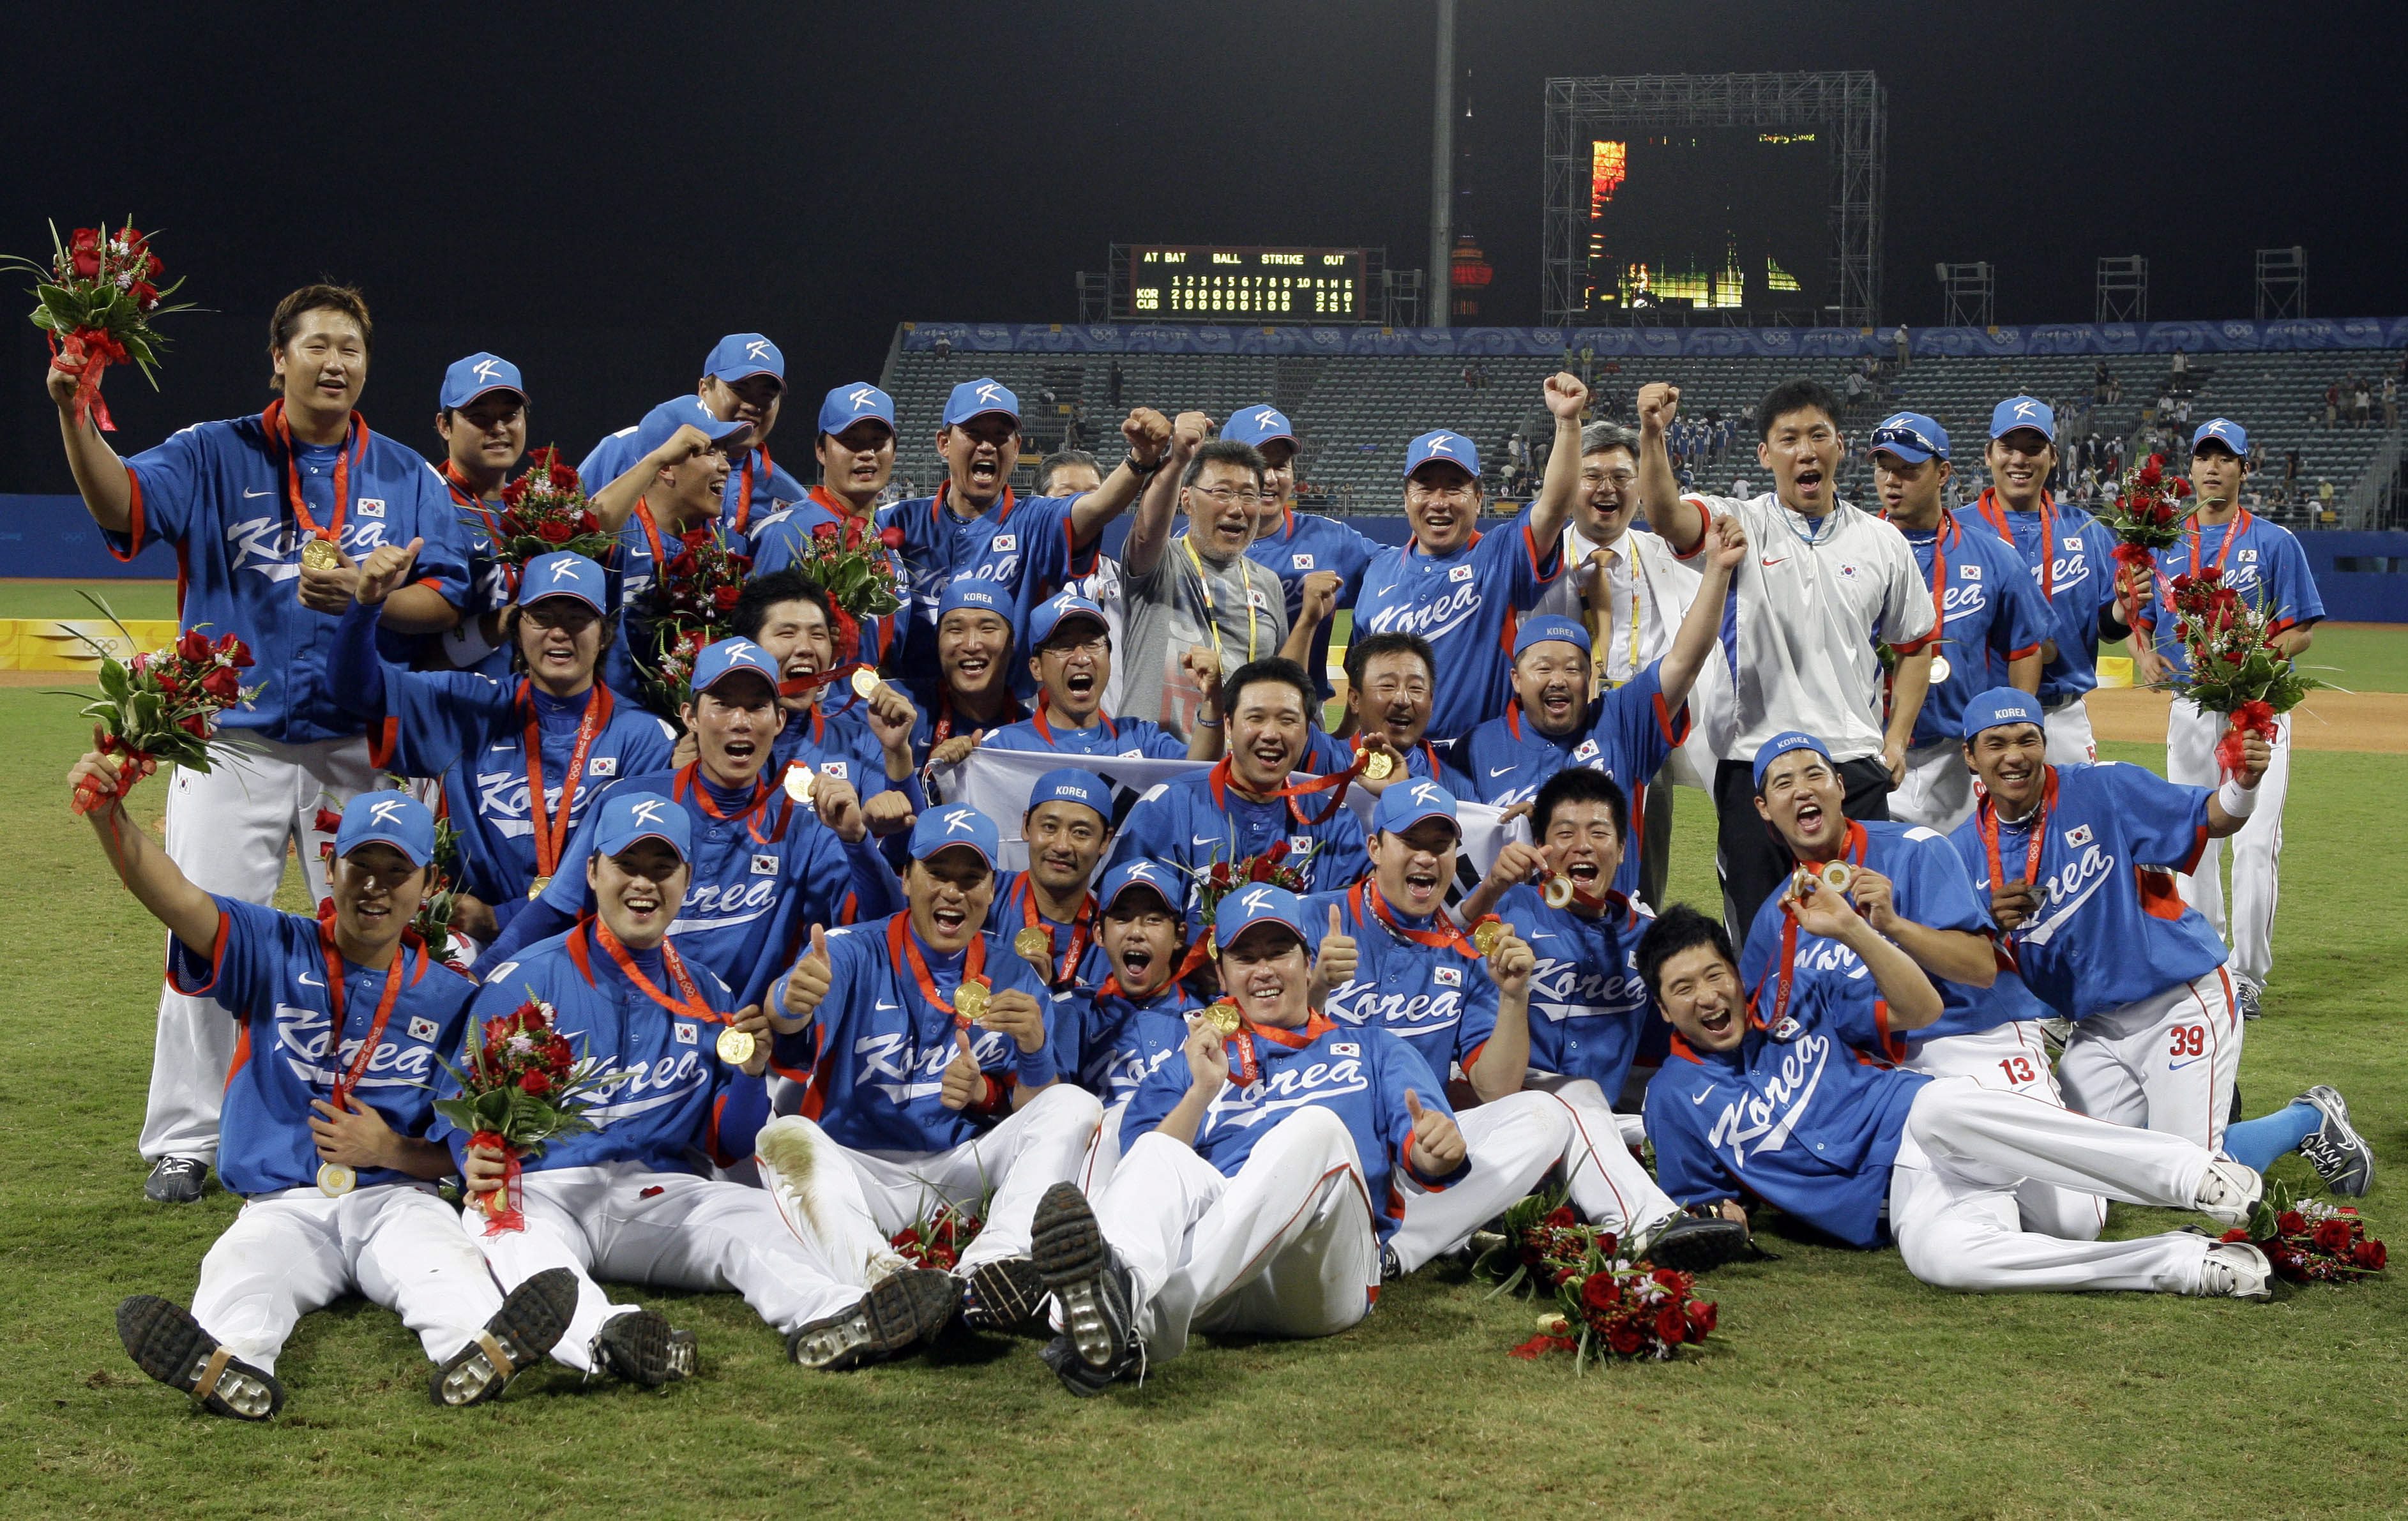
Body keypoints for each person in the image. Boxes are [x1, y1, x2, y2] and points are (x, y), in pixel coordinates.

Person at [47, 282, 473, 1204]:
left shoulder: (405, 474)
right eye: (317, 345)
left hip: (356, 750)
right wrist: (75, 413)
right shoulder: (212, 452)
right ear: (277, 359)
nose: (336, 363)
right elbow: (120, 505)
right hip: (230, 744)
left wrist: (372, 595)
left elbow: (444, 598)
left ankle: (386, 1124)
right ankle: (185, 1138)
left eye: (351, 348)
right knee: (203, 927)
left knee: (381, 940)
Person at [79, 782, 574, 1415]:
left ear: (427, 886)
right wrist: (106, 817)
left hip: (395, 1201)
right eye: (360, 866)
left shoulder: (452, 997)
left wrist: (391, 1148)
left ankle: (478, 1354)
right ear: (330, 866)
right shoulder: (274, 946)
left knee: (444, 1266)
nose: (375, 886)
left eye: (398, 871)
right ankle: (231, 1368)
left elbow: (460, 1153)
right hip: (283, 1202)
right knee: (242, 1270)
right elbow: (177, 900)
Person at [447, 793, 933, 1384]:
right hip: (551, 1192)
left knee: (754, 1216)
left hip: (657, 1194)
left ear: (687, 880)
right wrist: (471, 1156)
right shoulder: (523, 980)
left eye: (662, 868)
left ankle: (839, 1315)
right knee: (497, 1221)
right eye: (627, 866)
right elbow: (461, 1112)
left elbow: (728, 1146)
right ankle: (607, 1338)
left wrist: (752, 1077)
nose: (643, 885)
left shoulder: (706, 994)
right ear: (593, 872)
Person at [1639, 903, 2279, 1298]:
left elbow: (1920, 1008)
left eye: (1715, 975)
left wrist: (1858, 931)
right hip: (1903, 1200)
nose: (1707, 996)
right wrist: (1722, 1219)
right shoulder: (1673, 1098)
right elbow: (1703, 1205)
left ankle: (2194, 1172)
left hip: (1929, 1125)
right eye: (1684, 988)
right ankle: (2184, 1263)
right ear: (1666, 1009)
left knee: (1943, 1107)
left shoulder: (1793, 997)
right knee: (1941, 1260)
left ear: (1735, 973)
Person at [1016, 885, 1467, 1396]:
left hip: (1320, 1278)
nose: (1264, 970)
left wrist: (1435, 1149)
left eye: (1279, 952)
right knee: (1160, 1151)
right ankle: (1119, 1312)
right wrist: (1202, 1091)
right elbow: (1141, 1171)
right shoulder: (1189, 1063)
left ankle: (1135, 1321)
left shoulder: (1373, 1047)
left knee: (1313, 1128)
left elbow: (1426, 1157)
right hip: (1218, 1284)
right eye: (1245, 957)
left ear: (1307, 959)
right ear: (1223, 974)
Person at [1299, 783, 1736, 1277]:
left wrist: (1512, 995)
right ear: (1375, 848)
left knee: (1550, 1116)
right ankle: (1635, 1217)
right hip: (1321, 1141)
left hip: (1421, 1147)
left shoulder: (1467, 953)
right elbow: (1246, 1031)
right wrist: (1313, 992)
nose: (1426, 858)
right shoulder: (1312, 920)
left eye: (1440, 846)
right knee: (1575, 1102)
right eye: (1410, 842)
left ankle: (1395, 1249)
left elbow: (1494, 1087)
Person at [1948, 689, 2370, 1194]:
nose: (2014, 755)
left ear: (2044, 743)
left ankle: (2306, 1118)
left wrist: (2244, 782)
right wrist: (1988, 926)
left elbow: (2214, 818)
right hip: (2096, 1026)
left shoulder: (2102, 788)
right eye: (1995, 744)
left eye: (2026, 740)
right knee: (2074, 1174)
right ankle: (2179, 1120)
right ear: (1970, 755)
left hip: (2177, 1000)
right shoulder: (1959, 853)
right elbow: (1962, 964)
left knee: (2187, 1181)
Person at [757, 805, 1106, 1356]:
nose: (953, 892)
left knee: (1075, 1105)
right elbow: (789, 1017)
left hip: (958, 1176)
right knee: (782, 1137)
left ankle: (992, 1269)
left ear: (992, 891)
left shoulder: (1012, 971)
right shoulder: (851, 950)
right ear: (906, 878)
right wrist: (787, 1001)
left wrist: (1036, 1052)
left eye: (971, 879)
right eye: (937, 874)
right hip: (862, 1170)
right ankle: (890, 1282)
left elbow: (1036, 1110)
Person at [1743, 730, 2103, 1239]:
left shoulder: (1914, 849)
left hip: (1978, 1039)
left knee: (2073, 1222)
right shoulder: (1775, 916)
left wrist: (1894, 925)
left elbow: (1980, 968)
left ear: (1840, 787)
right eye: (1783, 783)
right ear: (1763, 807)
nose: (1802, 791)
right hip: (1893, 1074)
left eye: (1814, 775)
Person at [1635, 377, 1935, 946]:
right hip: (1753, 767)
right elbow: (1666, 516)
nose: (1806, 450)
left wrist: (1895, 741)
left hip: (1852, 765)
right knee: (1757, 938)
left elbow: (1915, 645)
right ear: (1764, 454)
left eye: (1818, 435)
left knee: (1864, 939)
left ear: (1839, 446)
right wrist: (1653, 434)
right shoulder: (1737, 522)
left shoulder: (1882, 542)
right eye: (1789, 438)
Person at [486, 639, 895, 1008]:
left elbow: (881, 929)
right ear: (691, 717)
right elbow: (554, 912)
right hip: (614, 1011)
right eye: (722, 703)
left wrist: (856, 840)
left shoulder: (804, 824)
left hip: (733, 1039)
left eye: (756, 706)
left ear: (779, 722)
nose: (741, 721)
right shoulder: (628, 801)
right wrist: (476, 980)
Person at [326, 547, 676, 951]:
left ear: (603, 635)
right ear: (517, 628)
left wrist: (503, 917)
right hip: (468, 936)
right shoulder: (468, 706)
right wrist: (367, 606)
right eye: (542, 618)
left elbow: (637, 867)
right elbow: (354, 691)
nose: (559, 632)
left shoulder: (645, 738)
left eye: (578, 618)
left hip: (593, 937)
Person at [2128, 420, 2326, 1019]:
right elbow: (2135, 616)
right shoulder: (2160, 544)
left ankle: (2247, 977)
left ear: (2243, 469)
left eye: (2225, 459)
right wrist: (2141, 654)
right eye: (2203, 458)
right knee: (2194, 839)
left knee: (2256, 842)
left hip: (2254, 708)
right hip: (2189, 707)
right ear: (2189, 470)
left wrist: (2253, 657)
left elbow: (2302, 630)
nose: (2212, 469)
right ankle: (2206, 961)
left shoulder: (2273, 542)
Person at [1459, 510, 1741, 904]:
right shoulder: (1478, 746)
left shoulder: (1621, 721)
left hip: (1610, 936)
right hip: (1520, 938)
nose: (1558, 679)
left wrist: (1717, 571)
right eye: (1543, 668)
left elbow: (1685, 660)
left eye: (1572, 669)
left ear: (1588, 677)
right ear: (1517, 681)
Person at [879, 379, 1167, 693]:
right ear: (944, 443)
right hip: (910, 711)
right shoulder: (894, 520)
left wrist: (1140, 460)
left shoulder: (1036, 519)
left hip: (1004, 718)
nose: (987, 446)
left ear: (1016, 448)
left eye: (1000, 436)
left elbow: (1096, 508)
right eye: (974, 433)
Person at [1351, 374, 1585, 741]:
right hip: (1396, 759)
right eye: (1425, 488)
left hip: (1477, 758)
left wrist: (1567, 424)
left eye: (1455, 488)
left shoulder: (1498, 554)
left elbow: (1554, 507)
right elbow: (1361, 677)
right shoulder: (1379, 570)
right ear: (1406, 499)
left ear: (1478, 499)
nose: (1439, 501)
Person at [1867, 413, 2049, 832]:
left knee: (1967, 888)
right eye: (1883, 467)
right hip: (1868, 750)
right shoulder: (1852, 552)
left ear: (1943, 473)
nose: (1892, 481)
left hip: (1959, 759)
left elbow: (2024, 649)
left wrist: (2011, 731)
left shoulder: (1994, 556)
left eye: (1908, 469)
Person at [1105, 657, 1370, 900]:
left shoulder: (1335, 822)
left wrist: (1390, 792)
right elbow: (1128, 919)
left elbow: (1364, 917)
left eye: (1288, 721)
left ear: (1307, 731)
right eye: (1256, 718)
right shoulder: (1168, 807)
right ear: (1229, 725)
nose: (1271, 734)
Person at [1114, 415, 1300, 735]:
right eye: (1222, 492)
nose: (1237, 508)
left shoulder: (1269, 584)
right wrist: (1177, 461)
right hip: (1151, 764)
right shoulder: (1161, 563)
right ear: (1186, 499)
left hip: (1231, 769)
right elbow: (1147, 533)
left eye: (1248, 495)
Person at [585, 394, 754, 703]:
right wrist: (654, 460)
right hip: (611, 722)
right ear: (667, 468)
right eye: (708, 451)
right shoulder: (622, 531)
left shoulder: (730, 547)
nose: (725, 466)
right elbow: (584, 534)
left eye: (724, 453)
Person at [732, 568, 920, 842]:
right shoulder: (717, 744)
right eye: (787, 634)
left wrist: (898, 753)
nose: (806, 648)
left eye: (818, 635)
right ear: (748, 648)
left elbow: (912, 851)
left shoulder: (860, 742)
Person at [576, 334, 805, 538]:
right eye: (739, 389)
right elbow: (571, 537)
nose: (753, 406)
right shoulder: (626, 448)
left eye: (767, 396)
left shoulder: (787, 495)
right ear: (704, 389)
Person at [746, 382, 905, 668]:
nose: (867, 453)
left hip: (876, 706)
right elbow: (757, 643)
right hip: (816, 708)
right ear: (821, 451)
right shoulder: (786, 534)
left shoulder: (884, 539)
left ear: (893, 453)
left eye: (878, 441)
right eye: (851, 441)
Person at [1234, 404, 1383, 707]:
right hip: (1212, 707)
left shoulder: (1331, 540)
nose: (1271, 478)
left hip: (1302, 713)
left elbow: (1398, 573)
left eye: (1281, 465)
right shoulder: (1193, 546)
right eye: (1259, 465)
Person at [1074, 859, 1205, 1189]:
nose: (1136, 932)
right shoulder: (1072, 1014)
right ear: (1100, 934)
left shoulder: (1209, 1021)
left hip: (1183, 1166)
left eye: (1153, 920)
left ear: (1180, 936)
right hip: (1095, 1169)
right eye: (1121, 919)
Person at [973, 591, 1216, 760]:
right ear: (1036, 668)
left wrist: (1213, 700)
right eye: (1065, 646)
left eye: (1092, 644)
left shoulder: (1141, 739)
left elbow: (1201, 774)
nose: (1081, 658)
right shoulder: (1004, 747)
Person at [429, 352, 531, 677]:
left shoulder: (540, 508)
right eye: (480, 417)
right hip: (447, 704)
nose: (499, 428)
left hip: (526, 706)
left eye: (510, 415)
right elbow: (419, 656)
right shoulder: (426, 505)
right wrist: (508, 621)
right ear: (445, 426)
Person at [985, 769, 1117, 1015]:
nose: (1062, 846)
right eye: (1049, 827)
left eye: (1081, 833)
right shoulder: (983, 897)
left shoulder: (1111, 939)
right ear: (1026, 826)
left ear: (1105, 841)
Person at [1329, 630, 1478, 796]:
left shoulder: (1459, 789)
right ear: (1355, 699)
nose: (1403, 700)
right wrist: (1308, 623)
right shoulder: (1325, 757)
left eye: (1415, 688)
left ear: (1431, 703)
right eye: (1388, 685)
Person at [913, 582, 1029, 770]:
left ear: (1012, 643)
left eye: (988, 629)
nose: (971, 645)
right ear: (937, 641)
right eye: (956, 630)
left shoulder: (1033, 736)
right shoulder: (901, 712)